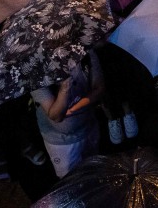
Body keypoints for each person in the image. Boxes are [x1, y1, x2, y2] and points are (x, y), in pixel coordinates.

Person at [31, 51, 104, 179]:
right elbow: (56, 116)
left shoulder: (86, 53)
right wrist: (64, 89)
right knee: (71, 180)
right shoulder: (35, 69)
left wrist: (73, 108)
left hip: (89, 127)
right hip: (61, 141)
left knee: (93, 170)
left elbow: (99, 89)